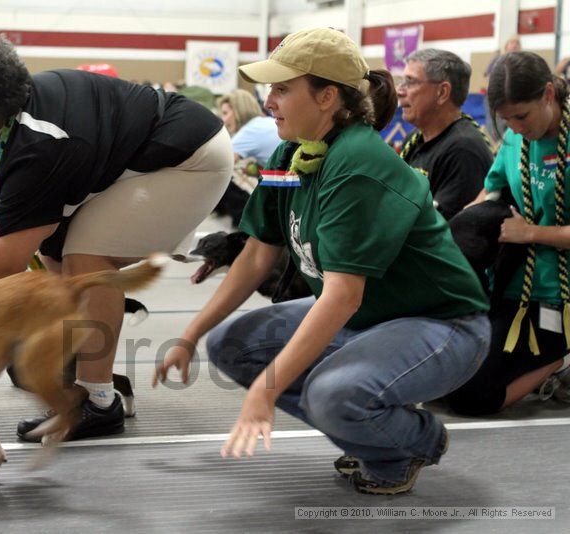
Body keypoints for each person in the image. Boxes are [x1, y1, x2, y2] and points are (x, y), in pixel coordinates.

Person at [154, 28, 490, 495]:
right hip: (373, 316)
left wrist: (266, 391)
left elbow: (342, 296)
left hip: (442, 326)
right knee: (232, 345)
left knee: (331, 394)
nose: (270, 101)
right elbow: (256, 255)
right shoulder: (289, 154)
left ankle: (410, 443)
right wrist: (190, 337)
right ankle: (370, 436)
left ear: (328, 96)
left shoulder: (357, 164)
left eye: (283, 89)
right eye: (270, 89)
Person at [0, 32, 232, 441]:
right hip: (126, 152)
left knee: (87, 260)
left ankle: (98, 403)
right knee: (55, 255)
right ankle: (76, 379)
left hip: (188, 157)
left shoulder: (35, 146)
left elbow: (5, 262)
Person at [446, 51, 570, 415]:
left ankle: (559, 361)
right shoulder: (515, 140)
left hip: (559, 296)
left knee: (472, 398)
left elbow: (525, 230)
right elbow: (490, 193)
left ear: (549, 94)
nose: (514, 127)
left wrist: (530, 233)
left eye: (522, 116)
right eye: (505, 119)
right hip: (511, 287)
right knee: (446, 378)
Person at [397, 49, 493, 220]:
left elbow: (445, 229)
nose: (400, 91)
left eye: (410, 82)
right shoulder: (414, 139)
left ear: (442, 93)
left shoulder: (463, 150)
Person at [218, 89, 280, 167]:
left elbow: (220, 165)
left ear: (238, 111)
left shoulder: (249, 131)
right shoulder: (263, 123)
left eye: (225, 113)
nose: (223, 120)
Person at [484, 36, 521, 142]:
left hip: (515, 97)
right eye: (512, 42)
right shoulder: (497, 60)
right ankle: (496, 145)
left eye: (517, 43)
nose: (514, 45)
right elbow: (488, 78)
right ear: (506, 46)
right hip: (497, 96)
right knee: (496, 124)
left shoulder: (521, 62)